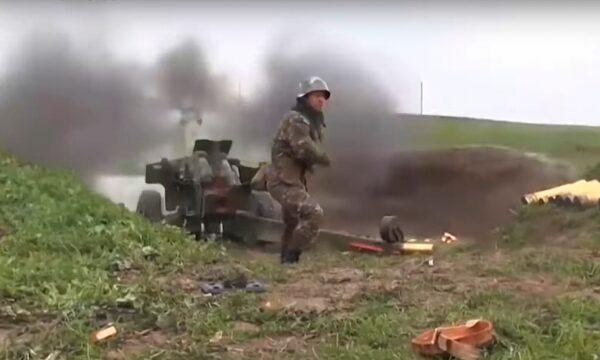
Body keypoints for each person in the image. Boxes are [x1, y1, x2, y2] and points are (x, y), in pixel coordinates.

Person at [266, 76, 332, 264]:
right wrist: (324, 158)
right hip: (283, 181)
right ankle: (291, 257)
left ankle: (285, 262)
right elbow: (303, 149)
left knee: (292, 222)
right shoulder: (297, 119)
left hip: (291, 180)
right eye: (316, 95)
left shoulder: (309, 120)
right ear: (305, 98)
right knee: (314, 214)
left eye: (323, 97)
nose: (321, 100)